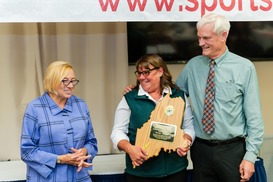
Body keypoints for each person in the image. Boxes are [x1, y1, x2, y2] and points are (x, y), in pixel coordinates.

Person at [176, 13, 264, 182]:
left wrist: (250, 156)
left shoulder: (244, 68)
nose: (200, 43)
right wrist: (137, 89)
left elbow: (254, 117)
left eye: (206, 38)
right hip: (200, 150)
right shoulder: (193, 65)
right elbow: (172, 97)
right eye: (199, 37)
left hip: (233, 151)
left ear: (223, 35)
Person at [111, 54, 195, 182]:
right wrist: (130, 149)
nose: (142, 77)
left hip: (175, 171)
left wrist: (186, 141)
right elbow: (117, 132)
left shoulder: (178, 95)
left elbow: (189, 127)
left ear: (160, 71)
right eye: (139, 73)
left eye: (146, 72)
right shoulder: (130, 98)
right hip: (141, 174)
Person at [20, 61, 98, 182]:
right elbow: (27, 151)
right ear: (52, 81)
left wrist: (84, 151)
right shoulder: (34, 108)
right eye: (65, 81)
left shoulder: (81, 105)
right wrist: (60, 159)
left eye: (73, 81)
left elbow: (92, 142)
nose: (71, 85)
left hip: (79, 177)